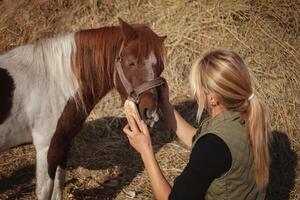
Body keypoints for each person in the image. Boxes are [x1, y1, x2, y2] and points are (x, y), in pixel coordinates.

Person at [123, 49, 271, 200]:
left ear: (213, 99)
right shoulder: (246, 118)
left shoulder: (212, 146)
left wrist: (146, 151)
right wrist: (166, 106)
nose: (194, 94)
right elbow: (199, 141)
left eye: (197, 88)